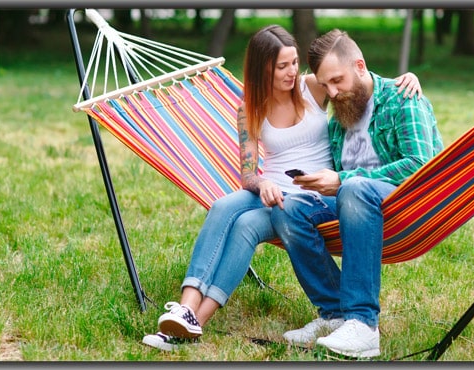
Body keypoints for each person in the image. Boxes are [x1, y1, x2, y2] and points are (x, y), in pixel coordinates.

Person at [141, 25, 423, 351]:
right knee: (225, 210)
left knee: (244, 221)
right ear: (264, 69)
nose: (292, 72)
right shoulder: (249, 109)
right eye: (282, 66)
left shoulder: (313, 87)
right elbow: (248, 173)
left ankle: (190, 321)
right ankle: (188, 313)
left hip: (314, 195)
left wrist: (410, 76)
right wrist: (262, 183)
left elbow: (353, 77)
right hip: (272, 192)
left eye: (294, 62)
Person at [270, 29, 444, 359]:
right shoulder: (341, 115)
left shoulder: (403, 98)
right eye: (326, 85)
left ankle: (363, 324)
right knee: (288, 209)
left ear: (360, 66)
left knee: (354, 187)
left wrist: (344, 179)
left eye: (338, 79)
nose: (333, 92)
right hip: (351, 204)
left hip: (406, 206)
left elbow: (421, 165)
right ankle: (335, 314)